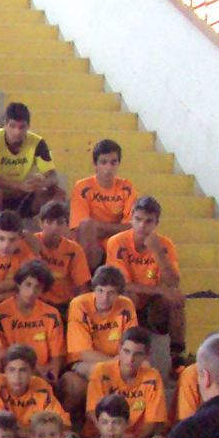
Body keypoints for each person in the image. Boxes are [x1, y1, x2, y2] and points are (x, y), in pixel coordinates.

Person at [105, 196, 186, 364]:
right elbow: (121, 284)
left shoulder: (165, 244)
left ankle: (177, 357)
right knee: (129, 296)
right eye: (138, 219)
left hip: (153, 304)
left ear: (156, 223)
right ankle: (125, 351)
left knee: (176, 297)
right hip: (129, 297)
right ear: (131, 219)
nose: (142, 225)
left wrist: (157, 252)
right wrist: (159, 289)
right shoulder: (117, 242)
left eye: (148, 221)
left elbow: (173, 282)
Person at [60, 264, 138, 414]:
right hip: (84, 363)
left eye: (111, 293)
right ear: (93, 288)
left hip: (119, 361)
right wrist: (117, 364)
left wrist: (121, 362)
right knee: (102, 373)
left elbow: (132, 343)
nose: (104, 298)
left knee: (145, 370)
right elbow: (83, 353)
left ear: (119, 294)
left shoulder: (126, 305)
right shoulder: (79, 304)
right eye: (100, 291)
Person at [83, 327, 167, 438]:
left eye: (138, 354)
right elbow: (92, 412)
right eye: (126, 351)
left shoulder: (152, 376)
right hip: (101, 436)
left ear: (146, 356)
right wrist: (115, 436)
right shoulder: (101, 371)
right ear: (119, 349)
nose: (130, 359)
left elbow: (153, 420)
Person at [0, 102, 62, 217]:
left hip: (23, 193)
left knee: (58, 192)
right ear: (5, 125)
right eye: (12, 126)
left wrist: (41, 183)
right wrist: (18, 185)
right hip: (0, 192)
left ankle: (44, 225)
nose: (17, 132)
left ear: (28, 126)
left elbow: (53, 176)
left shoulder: (37, 142)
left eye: (22, 127)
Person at [70, 139, 135, 270]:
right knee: (86, 226)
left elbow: (131, 226)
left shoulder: (127, 187)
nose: (109, 168)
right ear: (95, 164)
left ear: (119, 163)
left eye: (113, 162)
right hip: (90, 244)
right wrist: (112, 228)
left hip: (116, 242)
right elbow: (81, 228)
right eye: (103, 162)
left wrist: (97, 227)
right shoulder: (82, 187)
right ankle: (86, 278)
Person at [0, 260, 64, 380]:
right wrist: (33, 370)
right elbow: (1, 353)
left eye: (37, 287)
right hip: (12, 375)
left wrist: (52, 375)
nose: (31, 292)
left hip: (43, 375)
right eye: (28, 284)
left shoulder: (52, 314)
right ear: (19, 284)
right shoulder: (0, 313)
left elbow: (57, 356)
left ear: (43, 289)